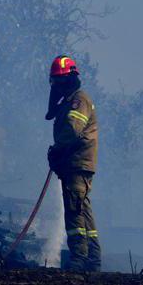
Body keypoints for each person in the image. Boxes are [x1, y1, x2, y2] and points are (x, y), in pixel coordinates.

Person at [46, 55, 100, 272]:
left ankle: (79, 259)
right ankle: (93, 259)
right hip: (75, 163)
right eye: (55, 82)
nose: (57, 86)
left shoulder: (79, 100)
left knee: (74, 210)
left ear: (68, 80)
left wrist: (57, 150)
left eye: (60, 81)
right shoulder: (70, 100)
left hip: (77, 163)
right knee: (82, 209)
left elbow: (72, 129)